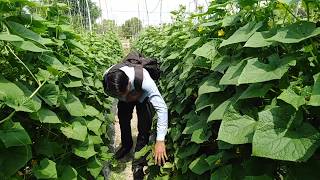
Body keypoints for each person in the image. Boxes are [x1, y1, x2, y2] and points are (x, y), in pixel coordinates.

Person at [103, 51, 168, 180]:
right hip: (127, 91)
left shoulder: (144, 81)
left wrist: (160, 140)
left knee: (144, 126)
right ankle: (126, 145)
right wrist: (123, 97)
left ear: (128, 84)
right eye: (118, 96)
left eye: (124, 94)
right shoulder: (107, 77)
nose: (124, 98)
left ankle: (138, 161)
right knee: (123, 119)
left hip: (142, 95)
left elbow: (162, 108)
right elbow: (120, 95)